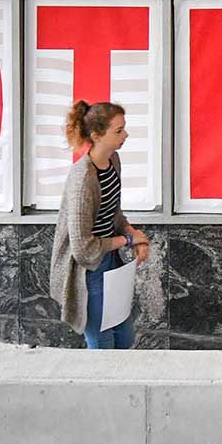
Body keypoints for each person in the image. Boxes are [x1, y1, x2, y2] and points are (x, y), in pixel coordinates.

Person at [49, 101, 150, 348]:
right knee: (103, 342)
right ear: (96, 136)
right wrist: (128, 240)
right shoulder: (82, 178)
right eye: (118, 131)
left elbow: (112, 212)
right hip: (89, 269)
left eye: (124, 128)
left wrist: (133, 233)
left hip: (111, 260)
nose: (125, 135)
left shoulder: (113, 161)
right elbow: (83, 248)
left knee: (124, 333)